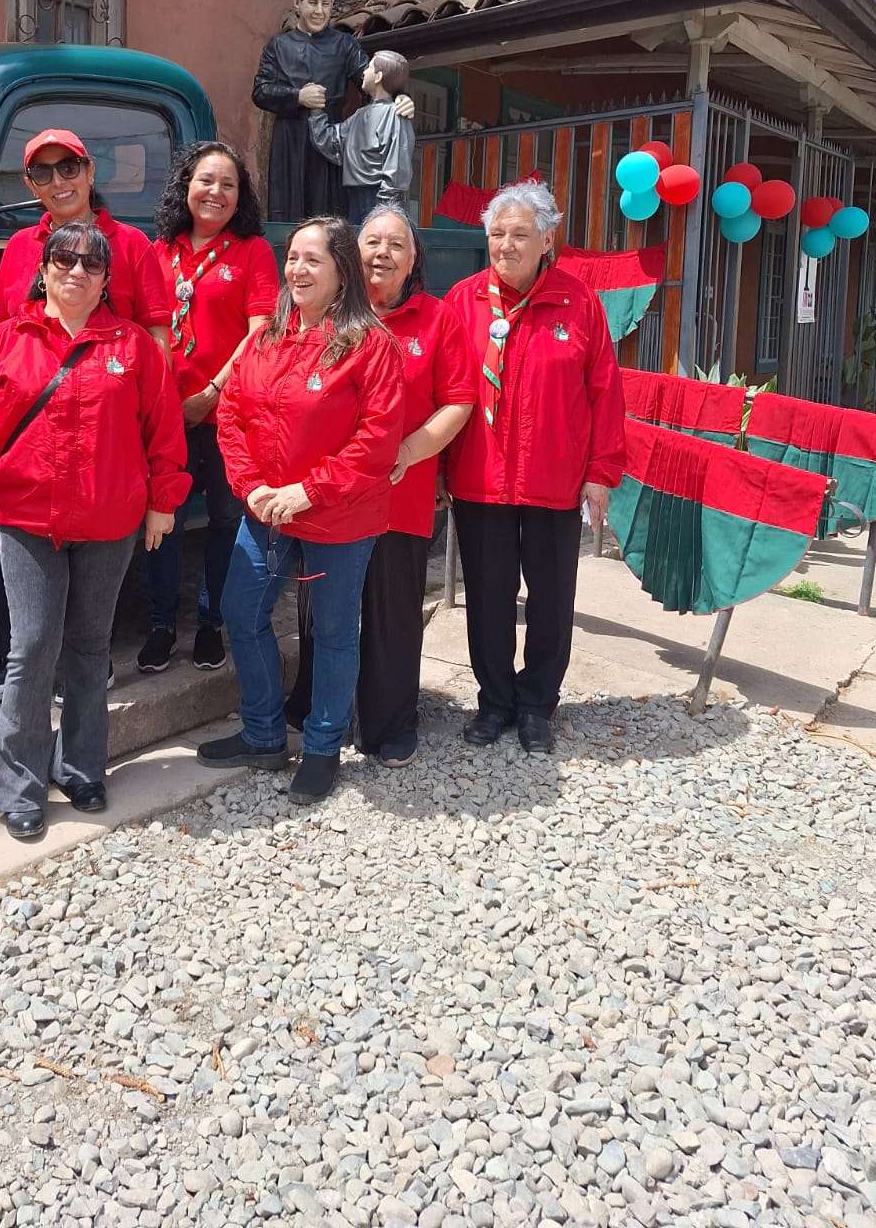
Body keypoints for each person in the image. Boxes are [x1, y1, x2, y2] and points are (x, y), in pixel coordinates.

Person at [0, 221, 190, 839]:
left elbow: (163, 430)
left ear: (107, 279)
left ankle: (81, 766)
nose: (76, 271)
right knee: (30, 649)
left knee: (89, 645)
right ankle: (19, 785)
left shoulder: (133, 346)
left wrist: (163, 502)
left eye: (91, 263)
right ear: (44, 268)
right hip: (27, 519)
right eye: (64, 259)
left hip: (109, 518)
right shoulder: (5, 342)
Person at [0, 127, 171, 710]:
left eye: (67, 167)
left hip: (107, 419)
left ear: (89, 171)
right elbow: (0, 329)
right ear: (30, 184)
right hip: (35, 431)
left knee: (95, 578)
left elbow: (156, 335)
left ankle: (86, 676)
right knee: (19, 571)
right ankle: (17, 668)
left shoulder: (131, 245)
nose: (58, 182)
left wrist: (153, 434)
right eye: (42, 173)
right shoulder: (23, 246)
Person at [197, 216, 405, 805]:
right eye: (292, 258)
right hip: (266, 510)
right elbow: (233, 411)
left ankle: (320, 748)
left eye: (313, 259)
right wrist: (251, 485)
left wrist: (308, 492)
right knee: (242, 613)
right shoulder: (268, 338)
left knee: (335, 634)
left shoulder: (371, 346)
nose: (297, 269)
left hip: (338, 515)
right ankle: (264, 734)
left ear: (343, 270)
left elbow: (377, 440)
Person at [286, 205, 475, 763]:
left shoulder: (436, 319)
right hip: (327, 495)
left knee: (392, 610)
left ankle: (389, 724)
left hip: (400, 491)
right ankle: (319, 709)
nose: (382, 253)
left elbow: (459, 401)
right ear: (352, 253)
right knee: (321, 606)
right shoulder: (326, 316)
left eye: (397, 244)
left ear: (414, 258)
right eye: (372, 242)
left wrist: (410, 451)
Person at [444, 179, 626, 755]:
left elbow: (605, 393)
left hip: (553, 482)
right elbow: (441, 391)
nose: (506, 244)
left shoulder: (580, 303)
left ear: (548, 239)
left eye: (520, 234)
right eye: (497, 233)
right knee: (489, 598)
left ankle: (537, 705)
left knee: (550, 601)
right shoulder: (464, 300)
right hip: (480, 479)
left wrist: (600, 472)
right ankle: (495, 701)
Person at [138, 141, 278, 676]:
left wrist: (212, 393)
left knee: (224, 521)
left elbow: (260, 329)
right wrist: (165, 401)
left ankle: (210, 624)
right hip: (165, 417)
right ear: (186, 186)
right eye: (206, 180)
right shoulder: (159, 250)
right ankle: (160, 626)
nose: (216, 193)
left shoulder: (252, 252)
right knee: (162, 520)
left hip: (227, 416)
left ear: (240, 197)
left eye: (228, 185)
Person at [252, 0, 371, 221]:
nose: (320, 11)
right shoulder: (278, 46)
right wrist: (297, 96)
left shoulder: (345, 45)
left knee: (328, 218)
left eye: (325, 4)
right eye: (313, 3)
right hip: (289, 143)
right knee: (287, 215)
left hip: (330, 142)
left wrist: (397, 95)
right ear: (298, 3)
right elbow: (261, 92)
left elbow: (372, 81)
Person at [307, 51, 416, 226]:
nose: (364, 72)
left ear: (379, 76)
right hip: (353, 196)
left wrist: (385, 207)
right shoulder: (359, 115)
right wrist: (316, 110)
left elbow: (397, 162)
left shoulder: (395, 114)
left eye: (369, 67)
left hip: (379, 198)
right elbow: (332, 142)